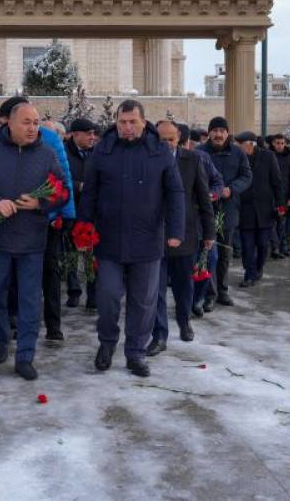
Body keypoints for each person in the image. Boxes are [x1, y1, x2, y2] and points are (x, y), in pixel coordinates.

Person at [80, 100, 185, 378]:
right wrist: (84, 229)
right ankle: (106, 344)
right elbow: (89, 192)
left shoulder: (160, 150)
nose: (126, 127)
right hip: (109, 240)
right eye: (122, 122)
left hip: (148, 241)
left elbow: (175, 193)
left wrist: (175, 231)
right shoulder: (103, 150)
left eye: (132, 122)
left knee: (144, 301)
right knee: (108, 297)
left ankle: (136, 353)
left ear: (143, 122)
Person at [0, 102, 67, 380]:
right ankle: (0, 337)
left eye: (35, 122)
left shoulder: (46, 154)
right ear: (10, 123)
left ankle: (25, 356)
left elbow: (63, 192)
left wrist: (40, 203)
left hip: (31, 241)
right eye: (26, 122)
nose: (33, 128)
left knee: (30, 300)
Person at [146, 120, 213, 356]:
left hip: (185, 233)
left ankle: (184, 322)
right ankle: (159, 334)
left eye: (170, 139)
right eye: (161, 140)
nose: (166, 144)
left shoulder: (193, 160)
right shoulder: (148, 159)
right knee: (156, 289)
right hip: (154, 235)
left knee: (184, 285)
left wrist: (209, 233)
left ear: (180, 140)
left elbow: (203, 198)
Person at [196, 116, 251, 311]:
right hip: (205, 210)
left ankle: (223, 290)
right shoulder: (199, 152)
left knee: (225, 253)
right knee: (210, 253)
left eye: (222, 131)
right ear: (209, 133)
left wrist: (232, 189)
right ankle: (209, 293)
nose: (218, 134)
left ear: (227, 133)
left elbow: (246, 176)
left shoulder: (237, 152)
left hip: (228, 209)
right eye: (215, 131)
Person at [236, 130, 283, 286]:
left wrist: (280, 204)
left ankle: (259, 266)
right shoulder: (238, 158)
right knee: (248, 246)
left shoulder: (268, 156)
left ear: (250, 145)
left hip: (265, 209)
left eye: (240, 145)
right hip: (245, 210)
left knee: (263, 244)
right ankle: (249, 274)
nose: (238, 147)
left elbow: (277, 181)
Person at [63, 117, 98, 308]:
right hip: (70, 210)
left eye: (94, 133)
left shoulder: (98, 154)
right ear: (75, 135)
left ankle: (93, 294)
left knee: (92, 254)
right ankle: (74, 291)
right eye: (88, 134)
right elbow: (58, 178)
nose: (93, 137)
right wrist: (79, 186)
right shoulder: (63, 153)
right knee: (71, 254)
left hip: (92, 212)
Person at [269, 134, 290, 259]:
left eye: (282, 143)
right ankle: (275, 247)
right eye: (277, 143)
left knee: (281, 222)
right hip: (269, 195)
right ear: (273, 143)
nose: (279, 145)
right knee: (271, 222)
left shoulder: (289, 158)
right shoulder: (267, 156)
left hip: (283, 196)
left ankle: (281, 246)